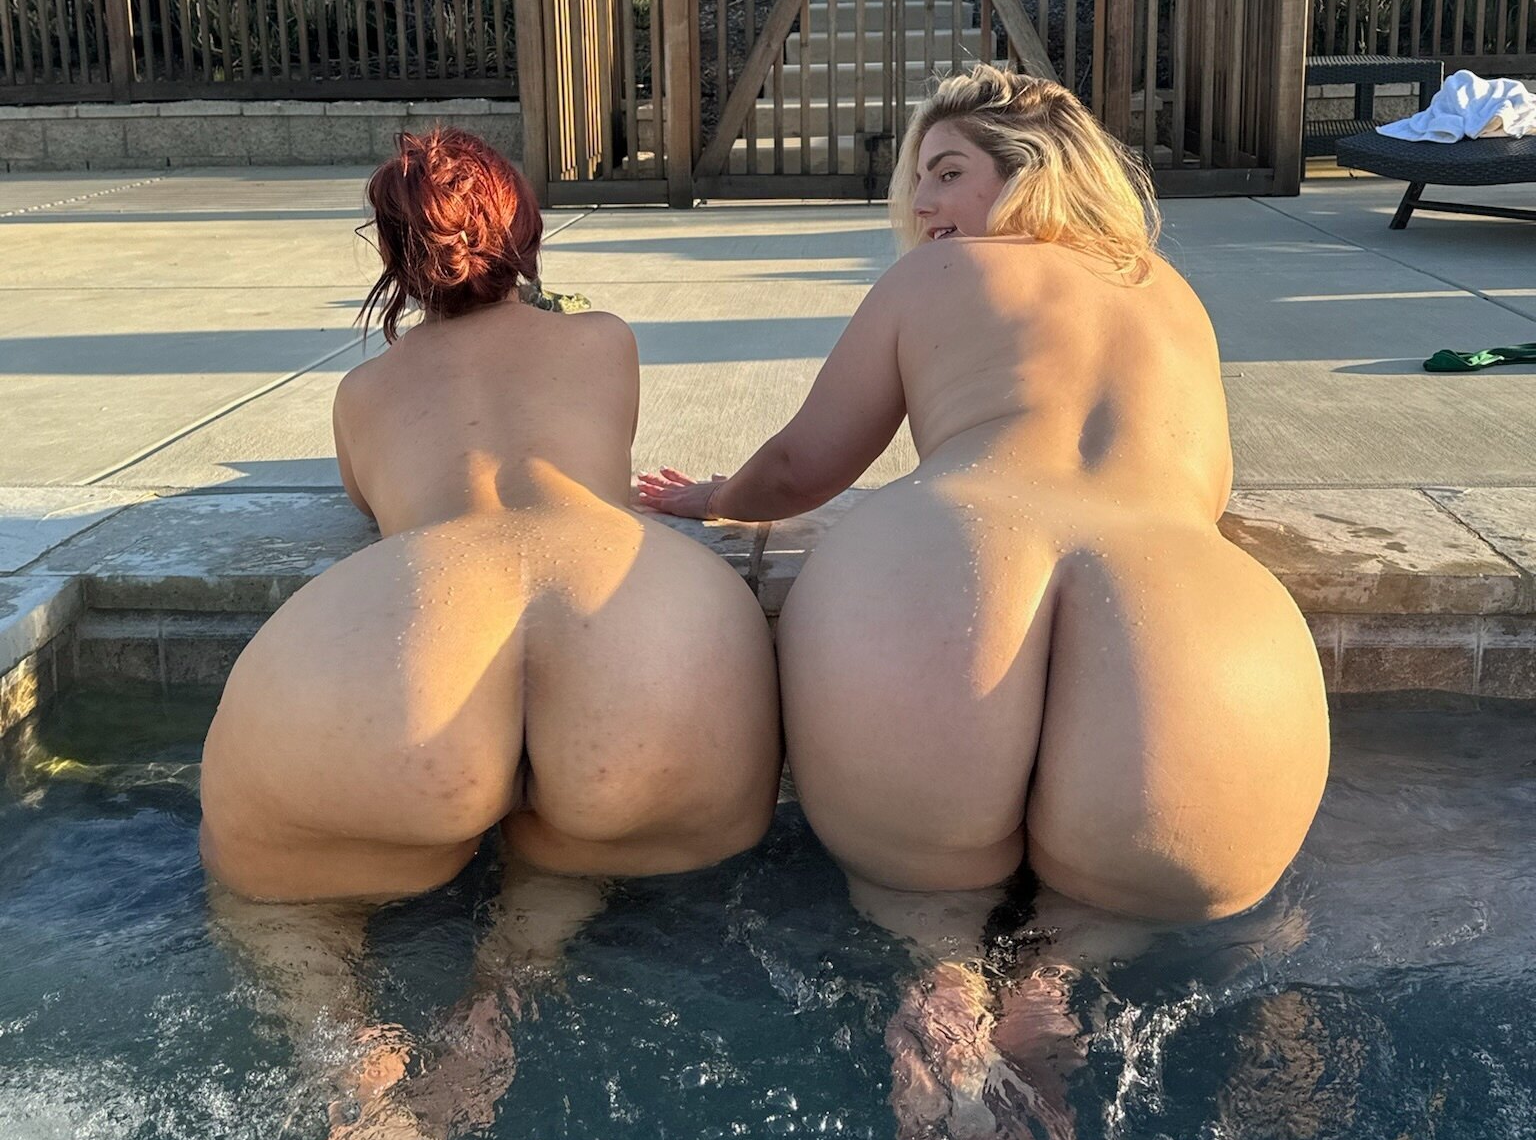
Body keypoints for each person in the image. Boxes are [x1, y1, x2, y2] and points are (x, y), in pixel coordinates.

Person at [637, 65, 1330, 925]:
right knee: (1103, 939)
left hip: (948, 580)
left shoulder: (939, 272)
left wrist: (716, 498)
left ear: (1033, 169)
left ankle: (944, 969)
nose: (922, 203)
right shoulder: (1168, 291)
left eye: (947, 172)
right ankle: (1066, 969)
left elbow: (799, 468)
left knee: (928, 926)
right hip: (1197, 637)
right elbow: (1210, 487)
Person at [200, 126, 781, 906]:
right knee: (571, 872)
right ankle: (525, 950)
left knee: (289, 923)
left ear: (397, 259)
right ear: (525, 232)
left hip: (404, 660)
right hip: (635, 647)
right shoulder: (604, 340)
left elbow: (367, 500)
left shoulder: (361, 394)